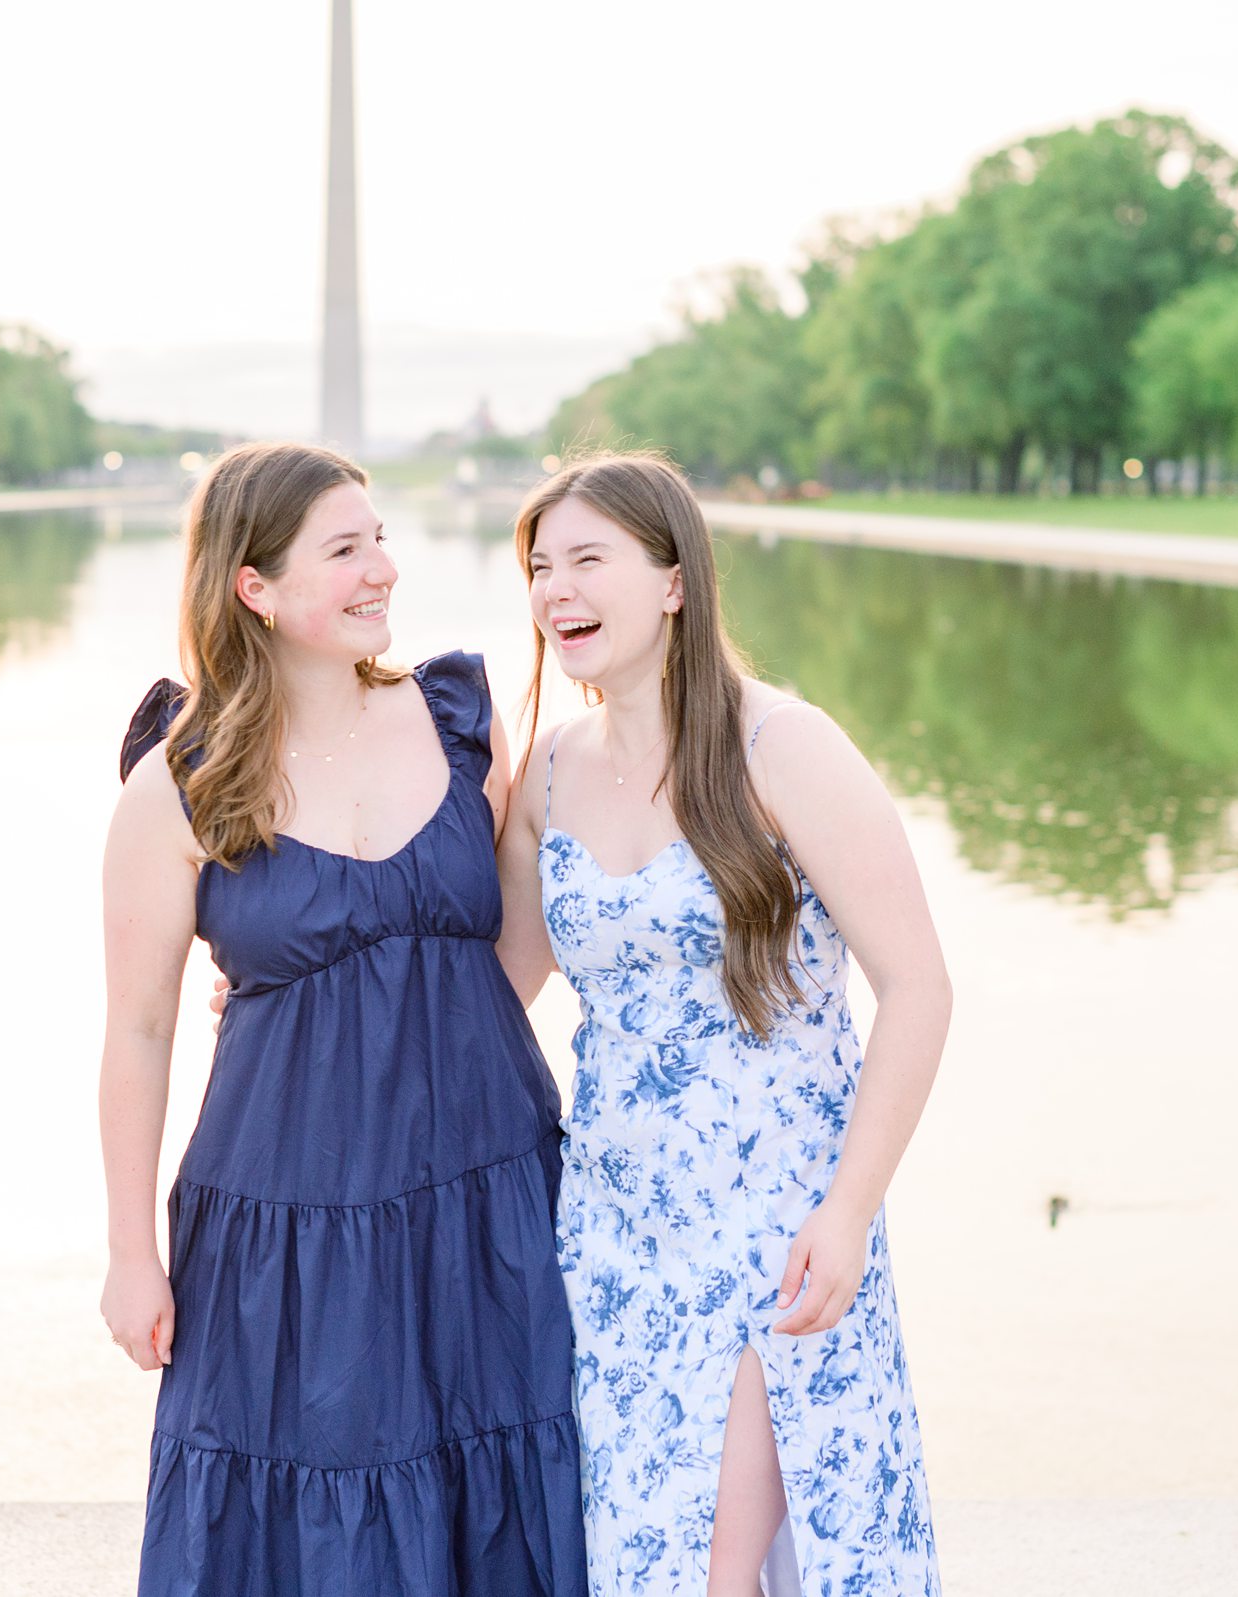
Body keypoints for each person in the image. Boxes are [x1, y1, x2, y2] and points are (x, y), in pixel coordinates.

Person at [97, 442, 587, 1596]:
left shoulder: (463, 722)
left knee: (502, 1478)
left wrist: (378, 1033)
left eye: (380, 537)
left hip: (483, 1183)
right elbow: (138, 1029)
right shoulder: (179, 779)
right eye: (346, 548)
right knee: (309, 1505)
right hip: (285, 1214)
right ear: (253, 587)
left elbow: (513, 948)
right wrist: (131, 1252)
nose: (385, 569)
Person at [494, 452, 951, 1597]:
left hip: (774, 1220)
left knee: (712, 1566)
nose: (557, 591)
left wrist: (847, 1210)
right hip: (607, 1230)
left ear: (674, 580)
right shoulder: (548, 775)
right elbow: (489, 995)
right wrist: (285, 993)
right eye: (541, 567)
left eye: (588, 560)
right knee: (626, 1556)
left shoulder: (781, 747)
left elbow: (919, 987)